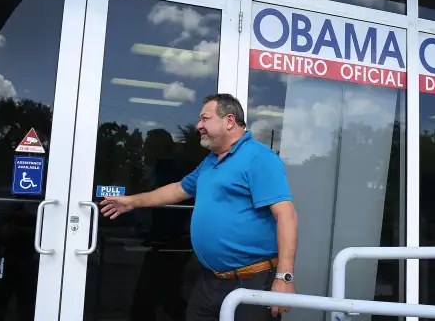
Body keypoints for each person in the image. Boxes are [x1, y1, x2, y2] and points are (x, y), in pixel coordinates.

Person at [100, 93, 298, 320]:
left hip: (251, 282)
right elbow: (177, 190)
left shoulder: (259, 158)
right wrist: (131, 201)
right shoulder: (211, 161)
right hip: (209, 280)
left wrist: (284, 277)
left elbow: (286, 216)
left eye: (205, 119)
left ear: (229, 121)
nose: (198, 126)